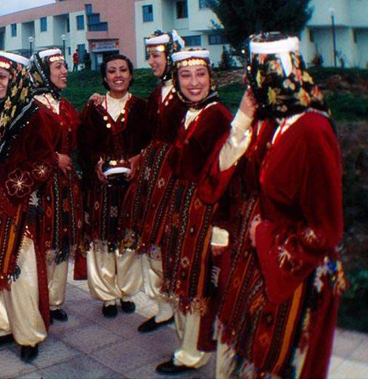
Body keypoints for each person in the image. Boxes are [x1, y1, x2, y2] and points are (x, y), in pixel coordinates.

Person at [200, 33, 345, 378]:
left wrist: (265, 236)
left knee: (274, 359)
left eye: (260, 75)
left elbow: (326, 228)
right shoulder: (270, 123)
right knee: (239, 347)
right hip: (252, 260)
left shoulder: (312, 129)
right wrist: (243, 119)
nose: (254, 84)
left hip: (292, 271)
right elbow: (223, 177)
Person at [0, 51, 58, 363]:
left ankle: (28, 333)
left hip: (18, 206)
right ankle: (3, 325)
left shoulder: (34, 115)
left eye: (2, 77)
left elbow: (45, 164)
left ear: (18, 77)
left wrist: (2, 176)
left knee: (20, 273)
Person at [154, 48, 231, 375]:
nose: (194, 82)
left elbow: (228, 177)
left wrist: (221, 229)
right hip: (182, 211)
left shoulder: (219, 117)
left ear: (211, 77)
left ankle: (192, 353)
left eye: (200, 74)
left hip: (205, 213)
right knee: (183, 282)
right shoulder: (186, 112)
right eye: (185, 75)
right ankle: (186, 347)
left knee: (198, 286)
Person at [119, 30, 185, 335]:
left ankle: (178, 308)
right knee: (154, 244)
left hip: (176, 177)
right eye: (150, 55)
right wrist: (139, 157)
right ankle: (163, 308)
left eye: (156, 55)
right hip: (154, 174)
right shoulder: (159, 94)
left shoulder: (186, 93)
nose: (151, 61)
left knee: (171, 242)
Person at [77, 53, 152, 319]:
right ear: (104, 77)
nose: (118, 75)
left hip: (132, 185)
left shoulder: (143, 108)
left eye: (123, 70)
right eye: (112, 71)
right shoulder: (93, 108)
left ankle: (126, 292)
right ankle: (107, 296)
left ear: (131, 75)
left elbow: (151, 143)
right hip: (102, 186)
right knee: (103, 240)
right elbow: (83, 144)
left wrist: (140, 159)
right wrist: (95, 163)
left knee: (129, 239)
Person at [29, 48, 84, 324]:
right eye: (58, 67)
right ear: (43, 72)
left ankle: (55, 300)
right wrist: (54, 159)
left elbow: (80, 131)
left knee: (61, 242)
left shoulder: (63, 105)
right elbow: (23, 148)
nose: (64, 71)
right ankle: (39, 298)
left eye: (65, 66)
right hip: (40, 186)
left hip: (63, 186)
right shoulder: (31, 107)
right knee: (42, 243)